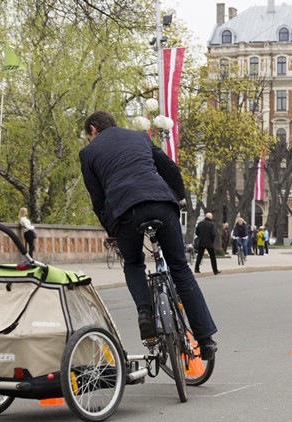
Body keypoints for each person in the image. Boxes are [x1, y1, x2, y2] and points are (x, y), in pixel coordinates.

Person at [79, 110, 217, 359]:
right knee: (180, 268)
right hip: (162, 203)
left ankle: (145, 313)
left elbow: (97, 199)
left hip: (126, 211)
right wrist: (179, 197)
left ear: (93, 130)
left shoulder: (88, 152)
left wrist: (112, 229)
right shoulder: (140, 137)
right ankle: (206, 339)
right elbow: (171, 169)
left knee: (133, 263)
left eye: (87, 135)